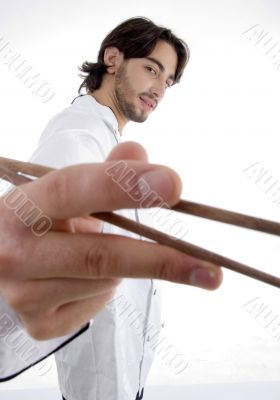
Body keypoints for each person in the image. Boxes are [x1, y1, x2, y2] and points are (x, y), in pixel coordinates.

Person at [0, 16, 223, 399]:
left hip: (123, 376)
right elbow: (20, 263)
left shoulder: (106, 140)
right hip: (100, 382)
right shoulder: (77, 139)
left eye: (167, 81)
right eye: (151, 69)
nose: (159, 89)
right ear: (113, 58)